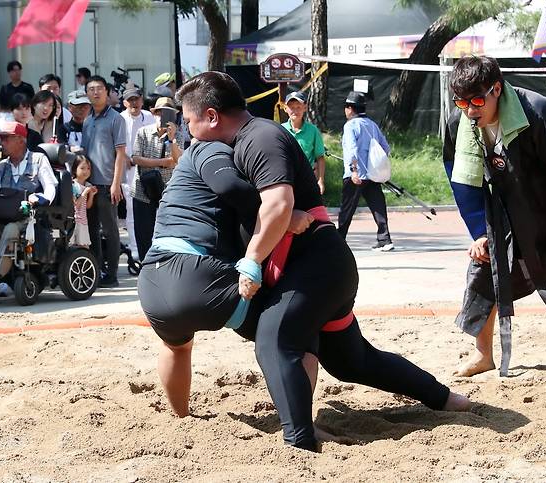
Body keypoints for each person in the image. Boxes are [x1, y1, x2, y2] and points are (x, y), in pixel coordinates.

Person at [168, 71, 470, 452]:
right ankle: (444, 398)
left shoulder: (259, 137)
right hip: (314, 267)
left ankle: (299, 442)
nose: (187, 129)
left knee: (274, 339)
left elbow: (279, 205)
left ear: (211, 116)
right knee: (353, 361)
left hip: (317, 263)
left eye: (189, 120)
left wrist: (250, 261)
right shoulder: (244, 141)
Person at [445, 55, 546, 376]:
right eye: (462, 102)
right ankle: (484, 355)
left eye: (477, 100)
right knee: (484, 270)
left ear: (496, 90)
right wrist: (479, 231)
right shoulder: (459, 122)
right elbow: (461, 178)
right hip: (506, 207)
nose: (470, 110)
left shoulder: (538, 109)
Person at [0, 122, 58, 283]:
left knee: (11, 229)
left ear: (20, 140)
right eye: (1, 139)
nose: (2, 143)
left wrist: (40, 198)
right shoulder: (1, 166)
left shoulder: (38, 159)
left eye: (6, 139)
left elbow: (51, 187)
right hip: (4, 215)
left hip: (29, 217)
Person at [81, 75, 127, 288]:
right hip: (90, 186)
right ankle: (96, 271)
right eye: (91, 89)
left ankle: (112, 274)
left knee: (110, 231)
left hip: (108, 184)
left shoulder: (116, 118)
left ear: (107, 92)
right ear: (87, 93)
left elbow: (120, 154)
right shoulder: (88, 120)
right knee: (91, 231)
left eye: (99, 88)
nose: (96, 92)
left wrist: (116, 184)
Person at [337, 91, 394, 251]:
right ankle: (385, 239)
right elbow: (385, 147)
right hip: (372, 175)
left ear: (350, 108)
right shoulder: (372, 124)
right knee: (378, 205)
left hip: (356, 174)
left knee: (347, 208)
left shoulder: (350, 126)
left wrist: (354, 170)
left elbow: (352, 149)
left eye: (346, 107)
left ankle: (340, 239)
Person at [130, 97, 182, 260]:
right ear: (154, 114)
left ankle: (167, 264)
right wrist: (161, 163)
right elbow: (136, 158)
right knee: (143, 233)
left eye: (167, 113)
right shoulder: (143, 132)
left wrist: (172, 138)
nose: (162, 116)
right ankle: (145, 265)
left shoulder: (178, 134)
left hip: (167, 190)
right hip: (142, 189)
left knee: (170, 232)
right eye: (159, 112)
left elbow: (177, 160)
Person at [120, 87, 155, 259]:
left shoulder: (149, 116)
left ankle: (150, 245)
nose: (134, 103)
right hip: (127, 169)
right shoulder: (120, 118)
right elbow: (115, 143)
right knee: (130, 209)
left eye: (137, 99)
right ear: (125, 102)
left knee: (148, 208)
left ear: (142, 99)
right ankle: (135, 247)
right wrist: (125, 157)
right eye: (130, 100)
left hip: (148, 167)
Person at [281, 91, 326, 194]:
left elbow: (320, 157)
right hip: (286, 178)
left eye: (298, 107)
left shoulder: (313, 130)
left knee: (308, 209)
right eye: (291, 107)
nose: (295, 111)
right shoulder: (281, 130)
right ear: (285, 109)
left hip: (307, 178)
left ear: (305, 108)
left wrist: (321, 180)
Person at [71, 155, 97, 247]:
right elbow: (76, 205)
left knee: (84, 247)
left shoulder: (88, 185)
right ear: (75, 169)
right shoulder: (73, 185)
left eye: (88, 168)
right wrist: (85, 192)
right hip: (75, 221)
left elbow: (88, 206)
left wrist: (91, 195)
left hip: (83, 221)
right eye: (82, 168)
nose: (86, 171)